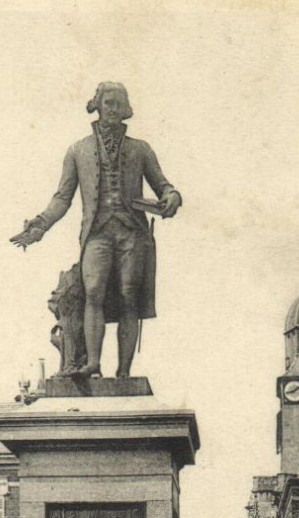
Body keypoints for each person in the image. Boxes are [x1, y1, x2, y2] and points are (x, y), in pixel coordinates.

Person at [11, 81, 182, 378]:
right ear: (98, 106)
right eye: (108, 103)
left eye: (118, 103)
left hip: (132, 233)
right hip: (97, 234)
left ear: (126, 109)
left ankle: (124, 372)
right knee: (93, 292)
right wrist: (40, 225)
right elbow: (62, 197)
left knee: (130, 296)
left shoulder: (141, 150)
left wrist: (172, 198)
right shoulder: (78, 150)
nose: (113, 109)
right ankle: (93, 364)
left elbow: (165, 186)